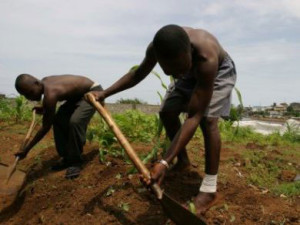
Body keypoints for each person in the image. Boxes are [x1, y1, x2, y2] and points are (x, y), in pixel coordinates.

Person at [87, 24, 237, 215]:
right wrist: (105, 93)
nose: (176, 75)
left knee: (207, 120)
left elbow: (194, 116)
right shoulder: (157, 50)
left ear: (189, 51)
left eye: (180, 68)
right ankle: (182, 162)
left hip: (217, 72)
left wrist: (164, 162)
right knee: (167, 112)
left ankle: (209, 191)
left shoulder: (206, 56)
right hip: (190, 70)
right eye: (170, 72)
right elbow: (137, 74)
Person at [15, 74, 103, 179]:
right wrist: (45, 108)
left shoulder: (51, 94)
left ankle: (76, 162)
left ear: (37, 83)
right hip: (76, 97)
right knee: (58, 120)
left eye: (30, 92)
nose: (29, 97)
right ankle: (66, 157)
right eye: (25, 95)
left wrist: (27, 149)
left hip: (93, 92)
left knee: (75, 122)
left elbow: (45, 127)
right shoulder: (45, 82)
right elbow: (53, 99)